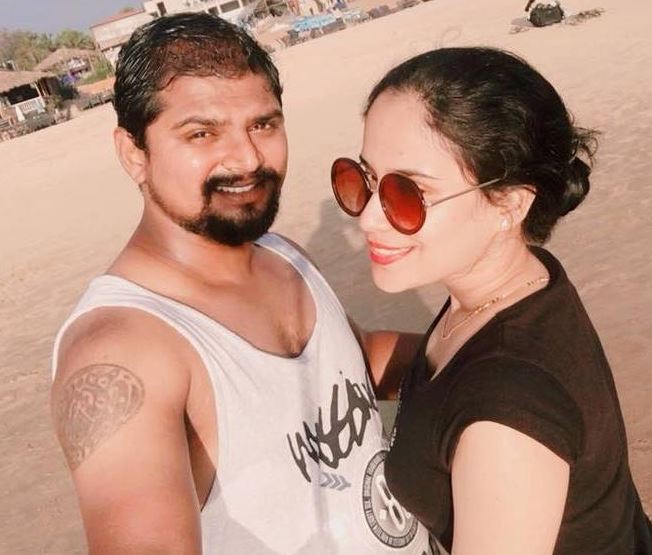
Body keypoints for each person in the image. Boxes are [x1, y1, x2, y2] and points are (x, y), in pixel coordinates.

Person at [50, 13, 433, 555]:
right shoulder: (120, 349)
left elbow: (356, 361)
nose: (247, 158)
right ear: (134, 153)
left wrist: (486, 345)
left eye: (263, 125)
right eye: (201, 133)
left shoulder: (284, 257)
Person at [330, 47, 652, 554]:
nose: (369, 218)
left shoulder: (505, 424)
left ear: (509, 203)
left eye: (408, 193)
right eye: (364, 179)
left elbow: (489, 390)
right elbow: (449, 371)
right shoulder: (515, 287)